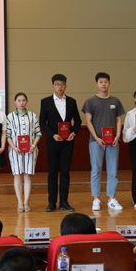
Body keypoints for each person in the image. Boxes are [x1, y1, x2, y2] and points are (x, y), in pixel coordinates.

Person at [82, 72, 125, 211]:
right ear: (97, 84)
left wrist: (117, 136)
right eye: (101, 82)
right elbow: (88, 121)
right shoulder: (90, 101)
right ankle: (96, 199)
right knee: (96, 170)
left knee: (113, 171)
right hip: (96, 142)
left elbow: (118, 119)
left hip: (113, 142)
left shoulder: (115, 101)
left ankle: (112, 199)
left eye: (106, 82)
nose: (103, 84)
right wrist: (96, 137)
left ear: (109, 83)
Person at [39, 74, 82, 212]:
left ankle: (64, 202)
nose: (60, 87)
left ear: (65, 86)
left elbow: (78, 121)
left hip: (68, 142)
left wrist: (74, 133)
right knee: (52, 172)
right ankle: (51, 202)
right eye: (57, 84)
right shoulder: (45, 102)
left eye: (62, 84)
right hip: (53, 142)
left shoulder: (72, 101)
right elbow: (42, 122)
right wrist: (53, 135)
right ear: (53, 86)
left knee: (65, 172)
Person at [6, 92, 41, 213]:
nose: (21, 103)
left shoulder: (32, 115)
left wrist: (33, 145)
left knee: (27, 175)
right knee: (17, 175)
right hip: (15, 151)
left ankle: (26, 202)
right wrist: (14, 147)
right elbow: (8, 135)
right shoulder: (10, 117)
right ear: (15, 102)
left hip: (31, 150)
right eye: (19, 100)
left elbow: (38, 133)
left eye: (23, 100)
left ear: (26, 102)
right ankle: (20, 202)